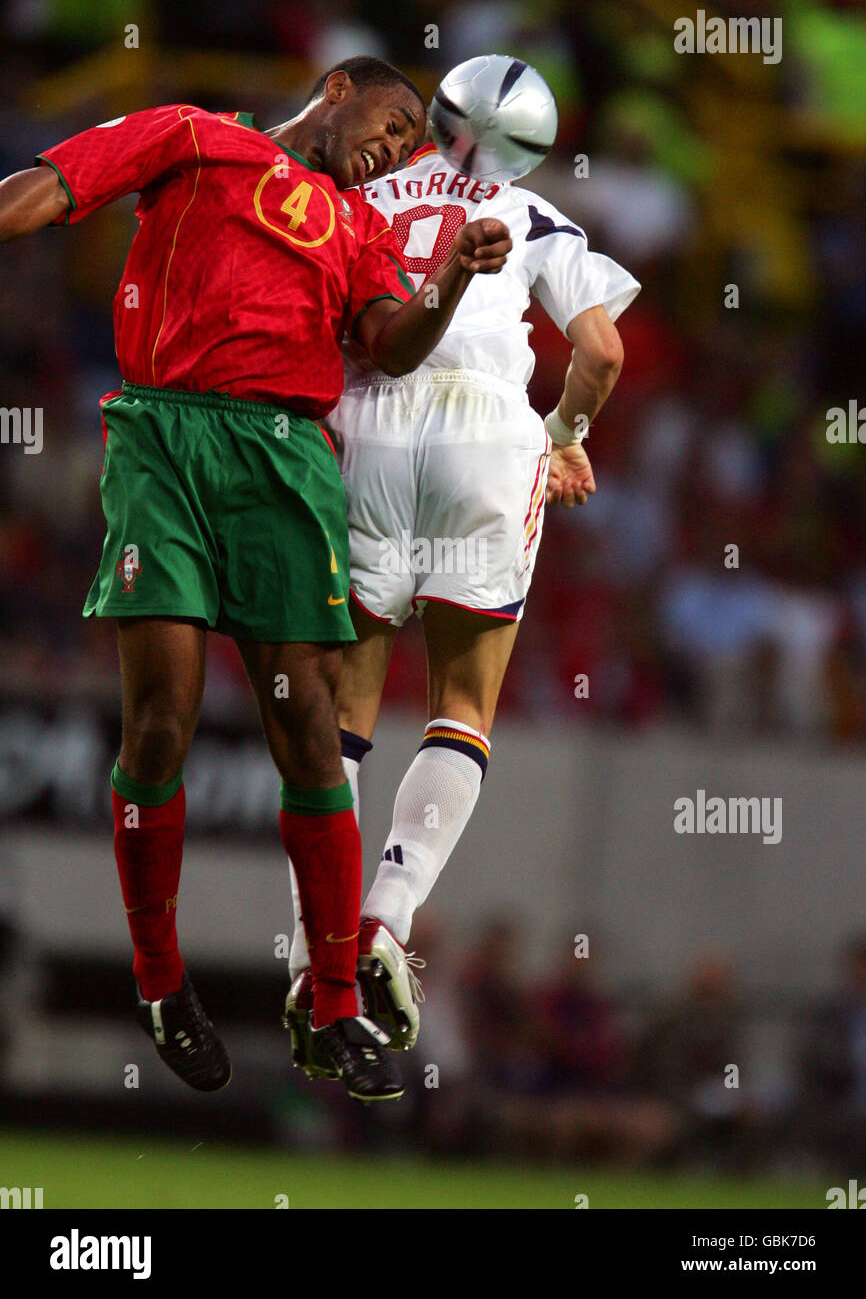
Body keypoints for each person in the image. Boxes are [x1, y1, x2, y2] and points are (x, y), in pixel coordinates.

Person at [0, 55, 512, 1102]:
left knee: (309, 731)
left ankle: (331, 1004)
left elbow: (392, 345)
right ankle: (160, 980)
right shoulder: (192, 135)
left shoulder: (362, 228)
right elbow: (51, 188)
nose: (397, 145)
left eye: (413, 142)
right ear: (334, 88)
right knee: (159, 723)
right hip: (164, 441)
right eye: (393, 117)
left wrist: (453, 273)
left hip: (285, 460)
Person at [283, 58, 639, 1072]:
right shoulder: (530, 216)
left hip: (364, 422)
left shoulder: (359, 191)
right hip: (489, 430)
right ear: (530, 142)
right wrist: (563, 431)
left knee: (336, 718)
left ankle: (317, 957)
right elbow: (602, 351)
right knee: (461, 703)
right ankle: (388, 921)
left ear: (431, 118)